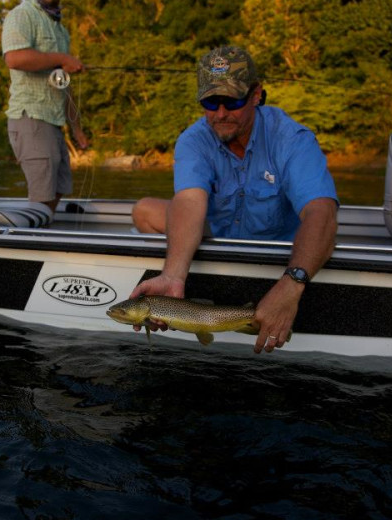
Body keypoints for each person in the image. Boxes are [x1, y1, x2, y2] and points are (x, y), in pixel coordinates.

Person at [129, 45, 338, 354]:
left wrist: (291, 285)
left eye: (233, 100)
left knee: (320, 223)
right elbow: (188, 201)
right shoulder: (193, 139)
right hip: (217, 235)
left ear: (256, 94)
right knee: (143, 209)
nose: (221, 113)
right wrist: (173, 275)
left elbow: (323, 213)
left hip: (280, 251)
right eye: (211, 102)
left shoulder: (292, 139)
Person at [2, 0, 88, 213]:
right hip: (30, 117)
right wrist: (62, 57)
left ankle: (43, 227)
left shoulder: (61, 30)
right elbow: (14, 58)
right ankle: (33, 237)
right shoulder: (22, 14)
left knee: (60, 185)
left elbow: (62, 83)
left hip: (54, 122)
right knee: (42, 194)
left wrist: (76, 128)